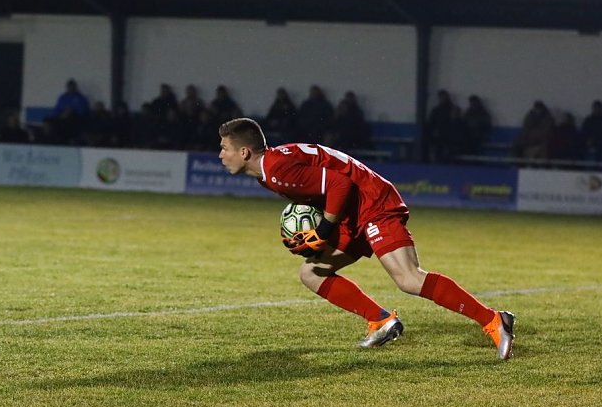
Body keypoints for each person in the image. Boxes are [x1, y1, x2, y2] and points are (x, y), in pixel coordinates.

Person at [217, 117, 515, 360]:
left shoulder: (276, 169)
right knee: (313, 272)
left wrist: (322, 231)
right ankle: (381, 321)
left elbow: (339, 184)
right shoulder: (269, 169)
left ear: (244, 152)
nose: (220, 155)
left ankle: (492, 320)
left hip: (372, 203)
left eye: (224, 148)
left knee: (409, 279)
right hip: (352, 212)